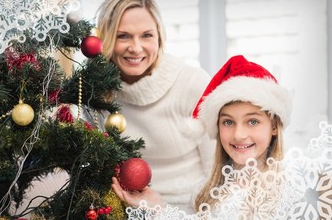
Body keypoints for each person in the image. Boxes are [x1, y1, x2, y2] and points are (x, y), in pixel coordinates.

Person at [111, 55, 293, 218]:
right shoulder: (207, 190)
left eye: (252, 122)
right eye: (228, 122)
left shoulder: (291, 188)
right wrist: (159, 207)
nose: (239, 135)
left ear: (274, 126)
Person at [95, 0, 214, 212]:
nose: (136, 47)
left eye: (146, 35)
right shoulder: (95, 92)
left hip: (192, 209)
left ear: (159, 37)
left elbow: (217, 174)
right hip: (122, 209)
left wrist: (164, 211)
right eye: (123, 36)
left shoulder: (192, 83)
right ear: (106, 39)